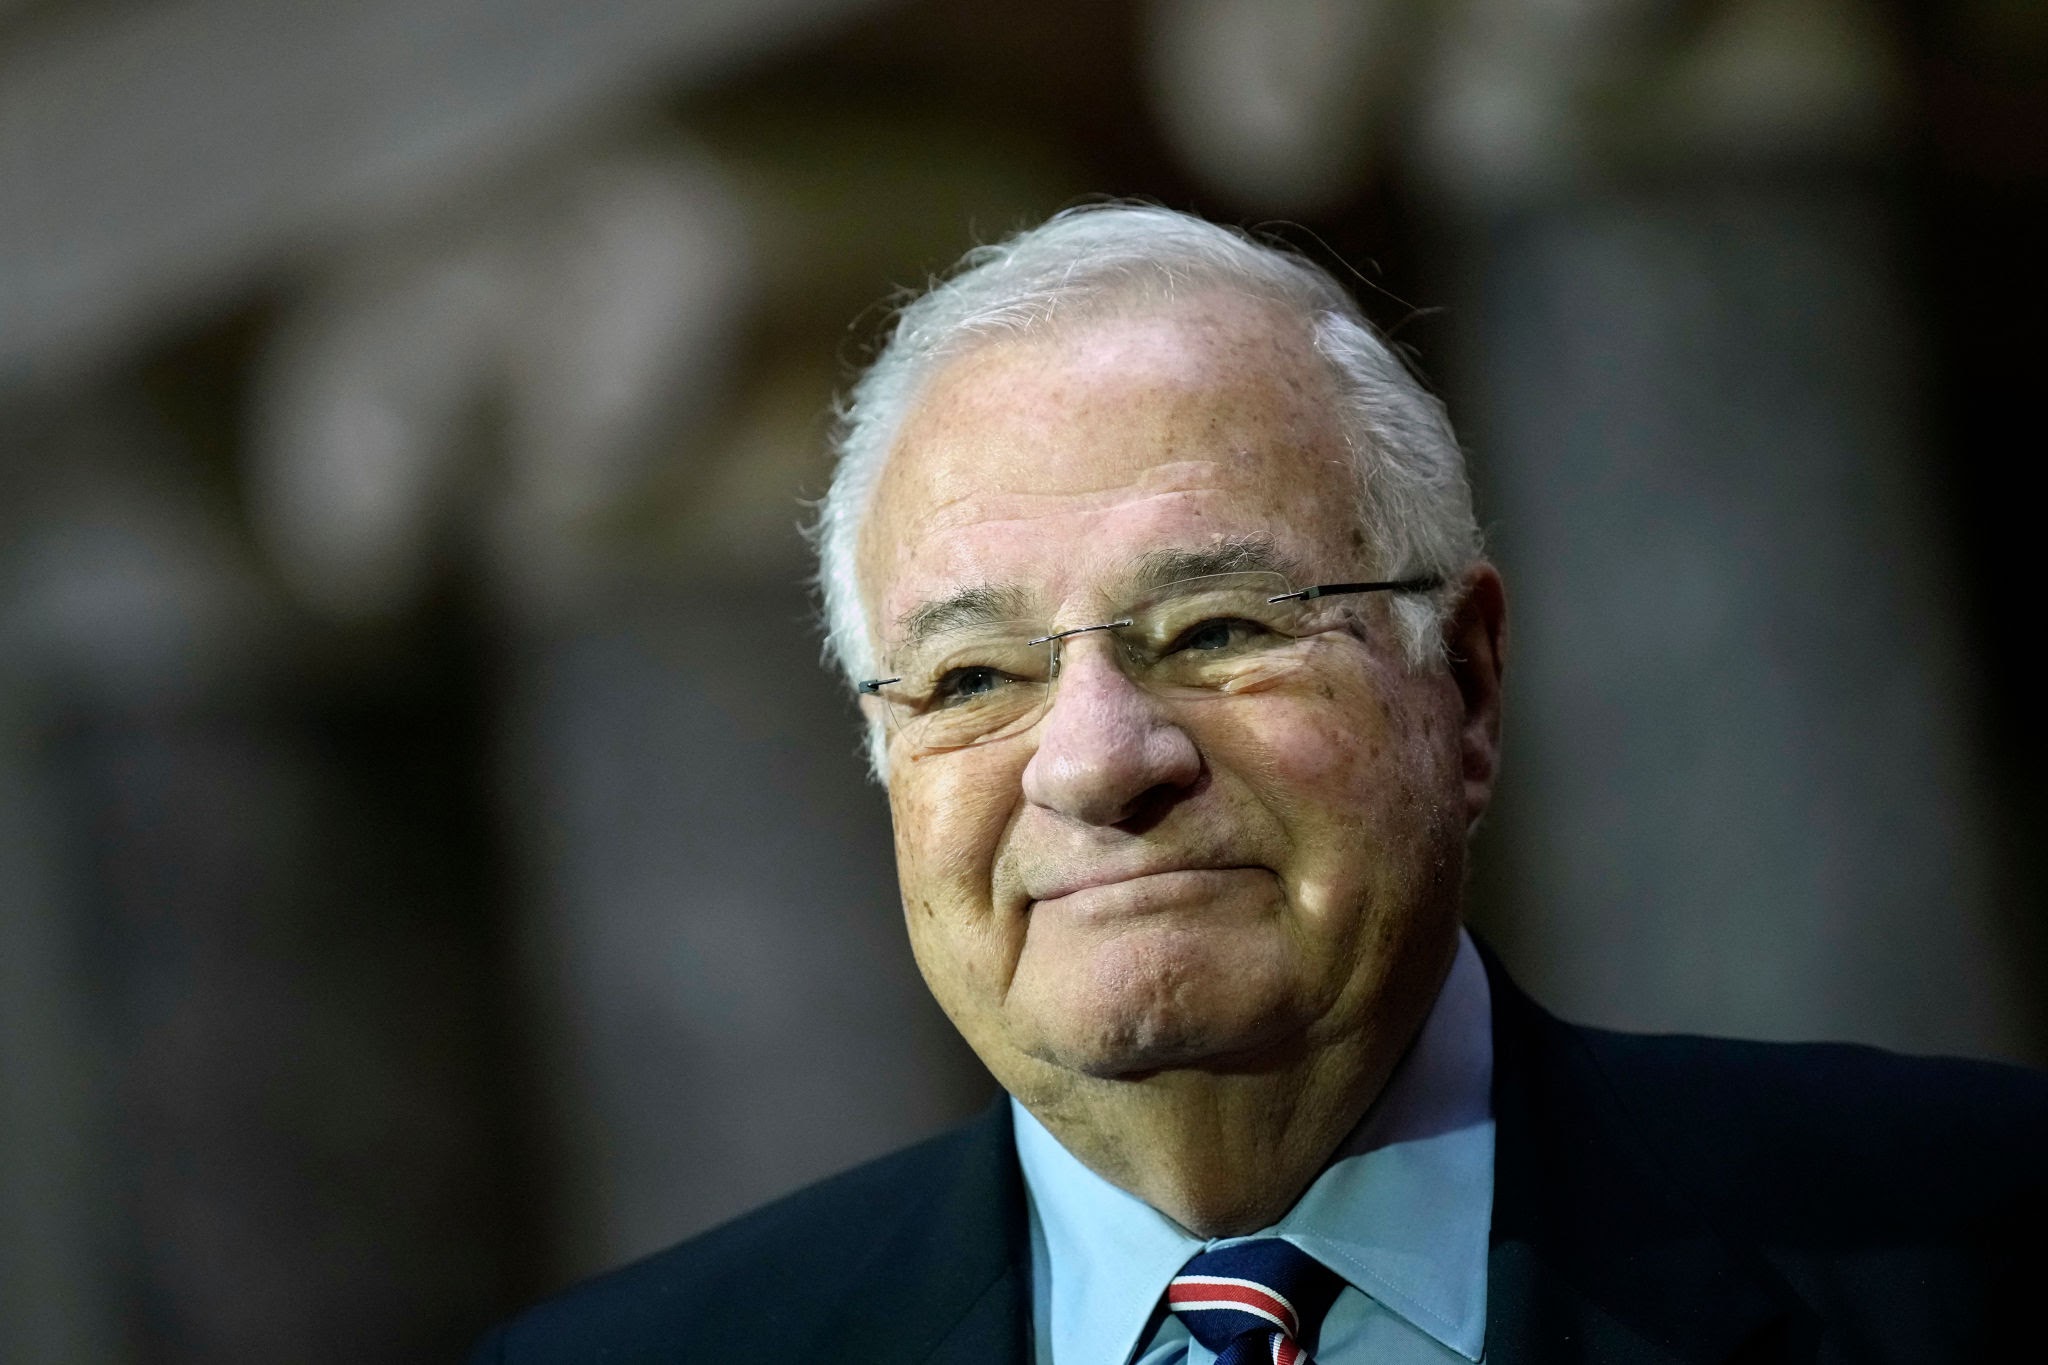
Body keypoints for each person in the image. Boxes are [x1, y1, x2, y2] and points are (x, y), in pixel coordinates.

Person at [470, 205, 2045, 1363]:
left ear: (1465, 683)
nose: (1097, 758)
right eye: (974, 678)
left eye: (1216, 628)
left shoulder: (1984, 1242)